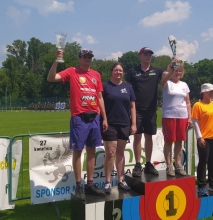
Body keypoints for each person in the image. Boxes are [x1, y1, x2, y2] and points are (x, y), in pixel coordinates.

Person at [47, 49, 107, 200]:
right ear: (79, 58)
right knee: (78, 151)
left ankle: (90, 184)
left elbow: (99, 97)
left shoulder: (96, 75)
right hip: (79, 118)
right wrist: (56, 60)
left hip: (94, 117)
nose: (88, 59)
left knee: (92, 151)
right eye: (85, 57)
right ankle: (79, 185)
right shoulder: (72, 71)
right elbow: (51, 78)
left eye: (90, 57)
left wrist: (104, 117)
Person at [125, 47, 164, 177]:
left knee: (149, 137)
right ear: (140, 56)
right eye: (145, 54)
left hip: (151, 110)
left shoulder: (157, 71)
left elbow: (167, 78)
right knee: (137, 137)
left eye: (150, 54)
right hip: (137, 110)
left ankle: (148, 164)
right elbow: (125, 87)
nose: (148, 56)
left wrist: (173, 65)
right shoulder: (132, 71)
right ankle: (137, 164)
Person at [102, 62, 137, 193]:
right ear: (111, 72)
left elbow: (133, 106)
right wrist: (104, 119)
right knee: (110, 153)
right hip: (110, 124)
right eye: (116, 70)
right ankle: (107, 182)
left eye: (121, 70)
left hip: (124, 124)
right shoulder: (105, 86)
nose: (118, 72)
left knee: (120, 153)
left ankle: (121, 180)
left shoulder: (128, 87)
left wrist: (133, 124)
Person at [160, 58, 192, 177]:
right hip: (169, 116)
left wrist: (189, 117)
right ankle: (169, 166)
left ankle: (178, 165)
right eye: (176, 71)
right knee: (169, 141)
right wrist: (173, 65)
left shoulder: (184, 85)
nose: (178, 73)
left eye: (180, 71)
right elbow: (163, 78)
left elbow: (188, 102)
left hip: (182, 116)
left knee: (179, 141)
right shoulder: (167, 82)